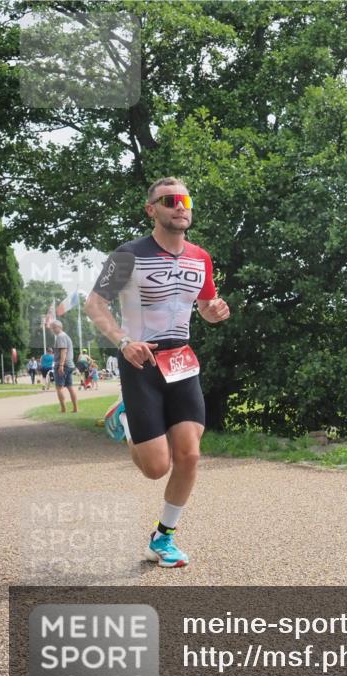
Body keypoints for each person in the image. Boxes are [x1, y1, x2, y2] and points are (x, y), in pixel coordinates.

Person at [84, 177, 229, 568]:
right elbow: (94, 304)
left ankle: (163, 538)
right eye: (169, 200)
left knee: (190, 456)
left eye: (185, 199)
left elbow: (204, 304)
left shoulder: (201, 257)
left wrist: (213, 311)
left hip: (181, 362)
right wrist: (122, 341)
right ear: (152, 209)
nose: (180, 206)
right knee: (155, 467)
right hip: (141, 361)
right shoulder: (128, 255)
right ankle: (127, 415)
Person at [48, 321, 79, 413]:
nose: (52, 330)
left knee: (59, 387)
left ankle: (63, 409)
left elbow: (63, 351)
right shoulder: (66, 336)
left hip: (63, 365)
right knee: (70, 386)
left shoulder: (60, 336)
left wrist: (61, 365)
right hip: (69, 364)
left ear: (58, 327)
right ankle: (75, 408)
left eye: (53, 328)